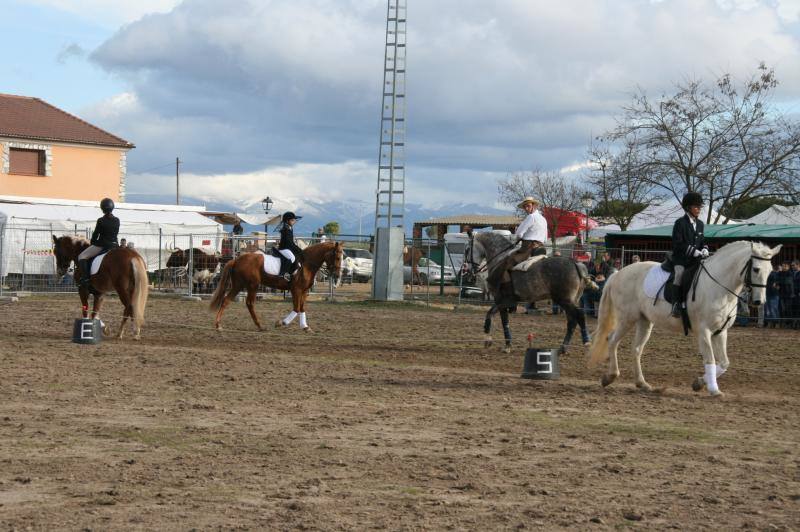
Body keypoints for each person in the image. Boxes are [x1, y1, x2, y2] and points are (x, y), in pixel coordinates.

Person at [488, 196, 547, 301]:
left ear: (533, 205)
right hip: (541, 247)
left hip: (527, 248)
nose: (526, 208)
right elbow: (545, 237)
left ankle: (509, 292)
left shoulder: (531, 217)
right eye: (525, 207)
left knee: (504, 265)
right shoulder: (543, 219)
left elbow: (519, 233)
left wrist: (517, 238)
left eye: (528, 206)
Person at [670, 191, 709, 317]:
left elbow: (702, 241)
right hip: (681, 259)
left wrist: (704, 249)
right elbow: (678, 243)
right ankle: (676, 304)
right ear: (688, 207)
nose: (699, 209)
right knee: (679, 275)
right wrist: (694, 251)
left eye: (700, 207)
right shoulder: (680, 223)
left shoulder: (700, 224)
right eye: (696, 207)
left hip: (695, 259)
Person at [77, 198, 120, 287]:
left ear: (102, 208)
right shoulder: (117, 220)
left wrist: (93, 242)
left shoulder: (101, 220)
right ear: (112, 207)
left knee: (81, 256)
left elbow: (96, 234)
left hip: (103, 246)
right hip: (115, 245)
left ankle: (85, 279)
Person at [277, 211, 304, 282]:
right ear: (287, 221)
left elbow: (291, 243)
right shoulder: (285, 229)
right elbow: (289, 243)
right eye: (292, 220)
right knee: (292, 258)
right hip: (284, 248)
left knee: (298, 256)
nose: (294, 221)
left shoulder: (290, 228)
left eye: (294, 220)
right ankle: (284, 273)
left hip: (288, 248)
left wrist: (298, 250)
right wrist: (298, 249)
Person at [777, 261, 794, 328]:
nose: (783, 267)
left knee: (788, 309)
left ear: (788, 267)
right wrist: (777, 283)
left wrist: (779, 282)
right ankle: (784, 323)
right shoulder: (780, 273)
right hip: (781, 294)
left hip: (789, 295)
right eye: (783, 266)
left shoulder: (790, 273)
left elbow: (786, 281)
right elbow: (776, 280)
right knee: (782, 309)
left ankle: (790, 323)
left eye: (785, 266)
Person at [764, 263, 780, 328]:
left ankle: (774, 323)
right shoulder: (775, 274)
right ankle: (773, 323)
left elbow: (777, 284)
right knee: (771, 309)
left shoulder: (774, 274)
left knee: (771, 309)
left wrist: (776, 286)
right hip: (770, 293)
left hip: (772, 294)